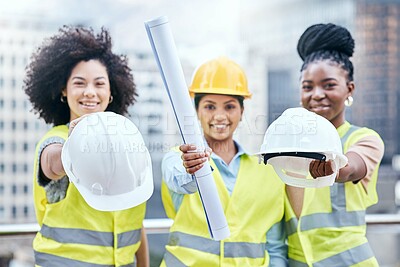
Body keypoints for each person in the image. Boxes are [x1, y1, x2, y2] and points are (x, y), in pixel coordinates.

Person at [23, 26, 149, 267]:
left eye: (99, 84)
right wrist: (74, 147)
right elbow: (52, 164)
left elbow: (134, 220)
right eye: (80, 83)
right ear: (64, 90)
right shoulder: (55, 139)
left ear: (111, 92)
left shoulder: (125, 140)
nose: (90, 92)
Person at [160, 56, 288, 266]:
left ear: (242, 111)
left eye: (229, 107)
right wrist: (192, 169)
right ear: (197, 111)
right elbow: (180, 179)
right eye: (210, 107)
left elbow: (275, 246)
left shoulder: (267, 171)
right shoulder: (177, 158)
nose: (220, 116)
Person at [284, 23, 385, 266]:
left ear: (349, 89)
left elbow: (351, 168)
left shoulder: (364, 139)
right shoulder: (286, 145)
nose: (317, 94)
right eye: (308, 87)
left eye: (329, 85)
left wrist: (334, 168)